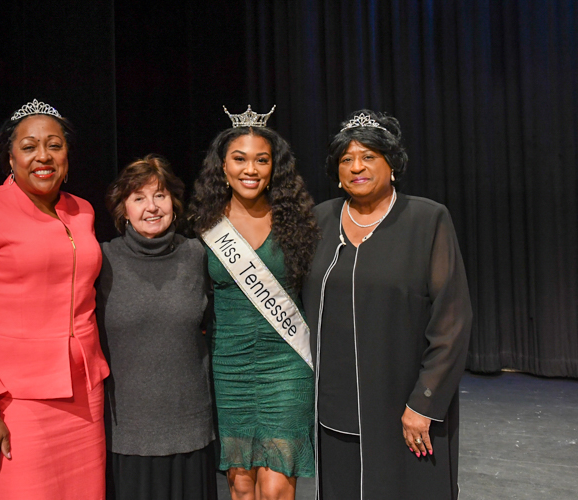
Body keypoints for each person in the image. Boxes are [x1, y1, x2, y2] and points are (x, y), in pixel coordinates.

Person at [0, 99, 110, 499]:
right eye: (29, 147)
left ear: (67, 154)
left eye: (54, 145)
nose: (42, 156)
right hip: (14, 403)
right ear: (9, 157)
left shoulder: (82, 211)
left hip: (85, 397)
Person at [302, 109, 472, 499]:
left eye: (368, 157)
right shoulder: (319, 221)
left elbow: (453, 319)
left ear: (391, 163)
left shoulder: (427, 220)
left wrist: (425, 402)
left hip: (405, 410)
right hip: (334, 411)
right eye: (346, 159)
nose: (356, 167)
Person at [189, 105, 319, 500]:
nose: (251, 169)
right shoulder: (205, 226)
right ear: (223, 167)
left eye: (262, 160)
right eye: (239, 158)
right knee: (242, 483)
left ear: (274, 167)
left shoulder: (297, 220)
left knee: (277, 483)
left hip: (285, 364)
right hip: (231, 366)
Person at [96, 155, 217, 500]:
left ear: (174, 203)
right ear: (123, 208)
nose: (151, 207)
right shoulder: (102, 259)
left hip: (190, 430)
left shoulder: (198, 255)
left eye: (160, 195)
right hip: (128, 433)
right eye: (139, 198)